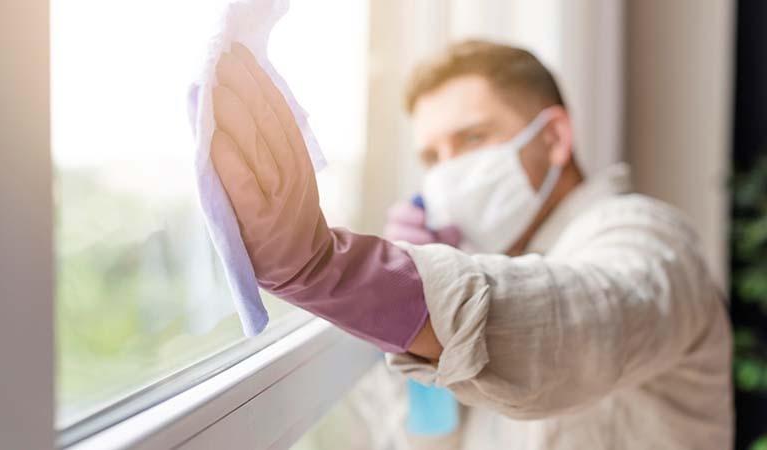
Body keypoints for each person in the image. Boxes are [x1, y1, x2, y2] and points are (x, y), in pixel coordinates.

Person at [210, 40, 733, 449]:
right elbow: (430, 441)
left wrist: (349, 274)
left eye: (472, 139)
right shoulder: (494, 262)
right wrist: (408, 319)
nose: (449, 173)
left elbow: (575, 325)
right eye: (432, 157)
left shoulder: (651, 238)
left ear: (553, 138)